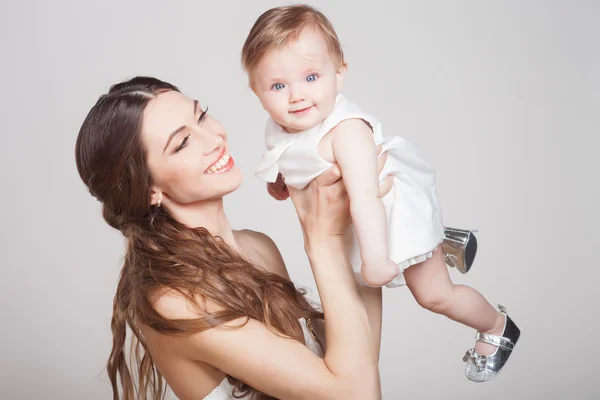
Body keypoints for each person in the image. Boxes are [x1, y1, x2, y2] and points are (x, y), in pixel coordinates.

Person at [242, 5, 520, 382]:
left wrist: (375, 259)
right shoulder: (280, 124)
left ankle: (497, 326)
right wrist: (279, 179)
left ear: (339, 75)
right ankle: (446, 239)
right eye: (278, 86)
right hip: (353, 224)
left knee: (434, 294)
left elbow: (365, 199)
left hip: (385, 212)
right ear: (257, 92)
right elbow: (288, 156)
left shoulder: (347, 133)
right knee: (355, 307)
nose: (296, 96)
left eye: (311, 76)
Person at [75, 76, 394, 399]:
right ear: (148, 189)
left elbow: (358, 367)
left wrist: (361, 227)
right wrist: (322, 240)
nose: (214, 138)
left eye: (201, 116)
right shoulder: (175, 300)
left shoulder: (257, 247)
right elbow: (355, 395)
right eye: (183, 142)